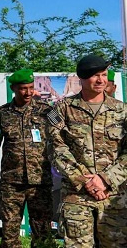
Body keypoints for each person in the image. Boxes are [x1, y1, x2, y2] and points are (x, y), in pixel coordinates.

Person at [47, 54, 127, 247]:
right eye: (94, 75)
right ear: (81, 78)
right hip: (77, 196)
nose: (100, 80)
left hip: (114, 198)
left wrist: (106, 179)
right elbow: (56, 148)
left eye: (103, 74)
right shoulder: (62, 109)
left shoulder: (122, 111)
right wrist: (86, 181)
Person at [0, 68, 53, 248]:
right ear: (13, 89)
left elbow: (62, 135)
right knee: (10, 234)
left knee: (42, 232)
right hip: (12, 182)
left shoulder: (47, 111)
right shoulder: (2, 113)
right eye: (22, 88)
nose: (27, 92)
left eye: (30, 87)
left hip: (40, 182)